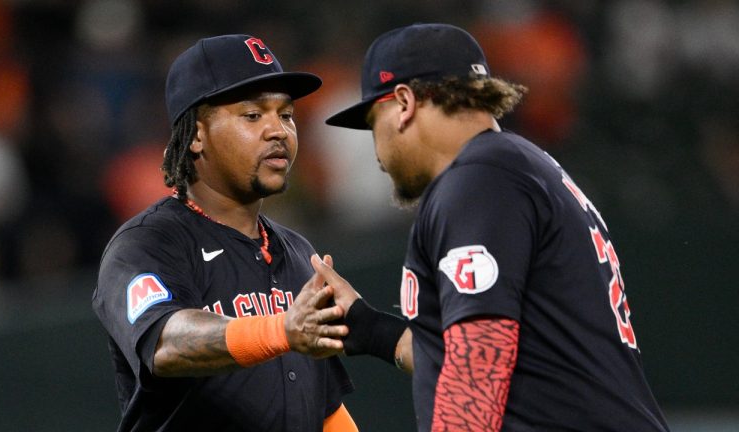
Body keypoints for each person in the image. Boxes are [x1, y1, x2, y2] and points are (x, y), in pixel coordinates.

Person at [320, 23, 671, 431]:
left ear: (403, 103)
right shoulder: (516, 168)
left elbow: (478, 363)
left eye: (372, 120)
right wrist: (372, 329)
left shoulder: (478, 180)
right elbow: (488, 350)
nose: (376, 147)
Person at [92, 34, 358, 432]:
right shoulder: (147, 243)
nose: (278, 131)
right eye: (252, 115)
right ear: (197, 134)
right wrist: (280, 330)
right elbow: (165, 343)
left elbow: (323, 408)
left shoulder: (299, 252)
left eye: (285, 114)